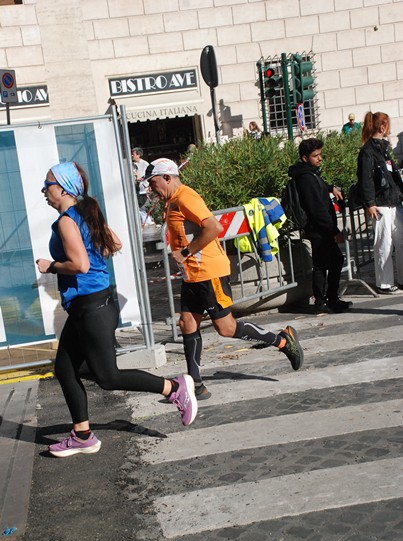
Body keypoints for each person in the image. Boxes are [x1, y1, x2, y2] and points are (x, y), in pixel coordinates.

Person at [35, 162, 197, 458]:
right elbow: (114, 245)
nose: (43, 190)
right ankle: (82, 434)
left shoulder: (67, 221)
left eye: (47, 184)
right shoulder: (86, 212)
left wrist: (52, 266)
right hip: (91, 303)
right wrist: (90, 252)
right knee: (65, 369)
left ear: (62, 187)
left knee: (107, 377)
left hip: (92, 306)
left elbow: (80, 265)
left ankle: (173, 388)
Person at [145, 158, 304, 400]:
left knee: (226, 328)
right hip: (192, 275)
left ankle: (282, 341)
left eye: (153, 182)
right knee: (187, 323)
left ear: (167, 177)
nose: (151, 187)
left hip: (209, 273)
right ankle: (195, 385)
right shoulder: (171, 201)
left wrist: (186, 252)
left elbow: (214, 227)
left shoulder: (186, 197)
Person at [288, 138, 353, 314]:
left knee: (332, 261)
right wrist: (334, 231)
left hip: (321, 229)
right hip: (319, 229)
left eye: (320, 155)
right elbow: (317, 208)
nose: (319, 158)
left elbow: (321, 188)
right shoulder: (307, 178)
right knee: (321, 264)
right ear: (304, 158)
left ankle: (329, 298)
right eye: (315, 155)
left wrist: (331, 187)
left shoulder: (310, 174)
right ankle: (322, 301)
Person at [357, 111, 403, 294]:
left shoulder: (383, 150)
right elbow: (365, 179)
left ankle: (400, 278)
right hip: (381, 203)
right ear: (382, 127)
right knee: (384, 243)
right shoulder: (368, 151)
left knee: (400, 241)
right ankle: (384, 282)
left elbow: (393, 176)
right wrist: (370, 203)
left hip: (393, 200)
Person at [131, 147, 150, 214]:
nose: (132, 156)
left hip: (144, 190)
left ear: (138, 155)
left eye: (133, 154)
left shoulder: (145, 164)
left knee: (144, 208)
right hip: (135, 189)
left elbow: (148, 176)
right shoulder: (131, 165)